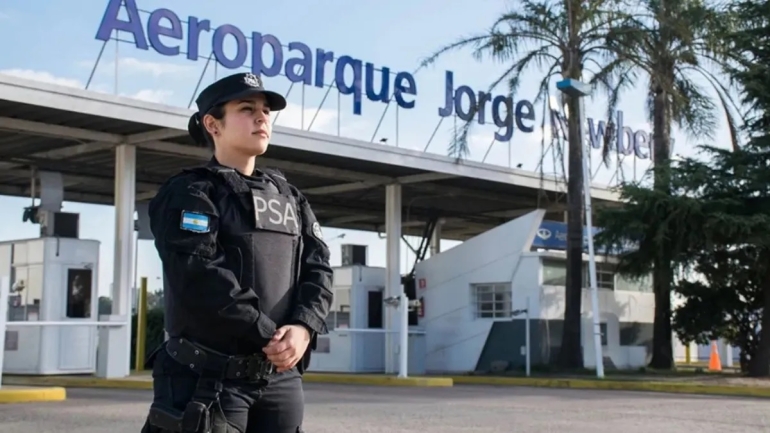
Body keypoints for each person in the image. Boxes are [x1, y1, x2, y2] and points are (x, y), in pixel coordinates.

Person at [141, 72, 334, 433]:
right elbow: (199, 274)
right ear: (212, 124)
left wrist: (304, 327)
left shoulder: (289, 196)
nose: (261, 117)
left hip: (279, 380)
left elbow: (318, 267)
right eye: (247, 108)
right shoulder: (190, 191)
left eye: (265, 110)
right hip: (208, 379)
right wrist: (269, 335)